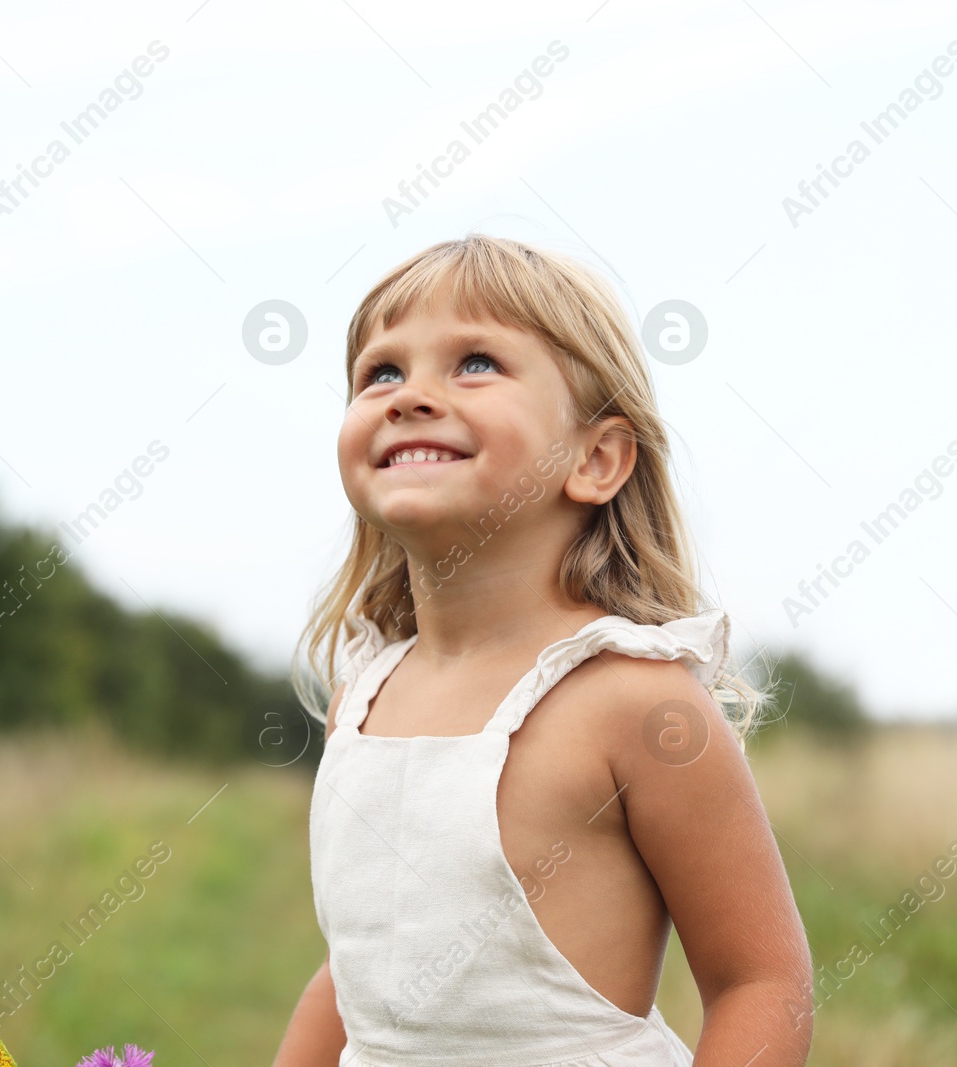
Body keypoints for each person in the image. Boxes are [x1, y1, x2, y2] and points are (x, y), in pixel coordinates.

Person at [276, 234, 813, 1066]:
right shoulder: (365, 694)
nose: (410, 394)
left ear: (598, 458)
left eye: (476, 362)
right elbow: (359, 974)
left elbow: (762, 982)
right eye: (381, 371)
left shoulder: (634, 702)